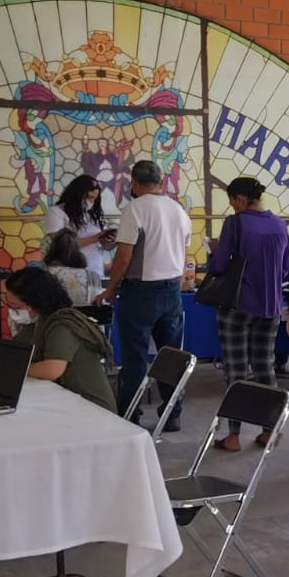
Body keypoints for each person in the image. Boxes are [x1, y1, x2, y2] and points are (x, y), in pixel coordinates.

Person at [96, 160, 192, 434]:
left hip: (140, 292)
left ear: (134, 184)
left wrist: (111, 288)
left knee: (135, 356)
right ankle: (173, 414)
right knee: (171, 356)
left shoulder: (134, 209)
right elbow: (184, 253)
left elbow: (124, 255)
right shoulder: (179, 210)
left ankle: (130, 414)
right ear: (162, 183)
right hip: (172, 290)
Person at [208, 177, 289, 452]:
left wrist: (216, 250)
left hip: (238, 305)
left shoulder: (236, 223)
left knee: (236, 370)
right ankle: (270, 431)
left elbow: (220, 266)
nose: (233, 207)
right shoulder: (279, 225)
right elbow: (284, 268)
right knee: (265, 366)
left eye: (232, 201)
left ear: (240, 199)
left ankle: (233, 436)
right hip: (271, 307)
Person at [4, 266, 117, 412]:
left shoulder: (63, 324)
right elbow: (15, 353)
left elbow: (51, 370)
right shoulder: (35, 322)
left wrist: (14, 368)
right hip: (61, 400)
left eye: (15, 306)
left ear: (33, 303)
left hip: (92, 408)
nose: (12, 311)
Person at [45, 174, 114, 280]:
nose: (91, 202)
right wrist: (96, 238)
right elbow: (61, 245)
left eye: (94, 199)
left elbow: (105, 246)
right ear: (78, 194)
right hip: (68, 273)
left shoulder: (94, 216)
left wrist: (109, 239)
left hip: (95, 272)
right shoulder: (56, 212)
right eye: (90, 197)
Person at [42, 229, 102, 307]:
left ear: (52, 249)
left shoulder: (44, 275)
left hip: (55, 314)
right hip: (86, 314)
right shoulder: (93, 276)